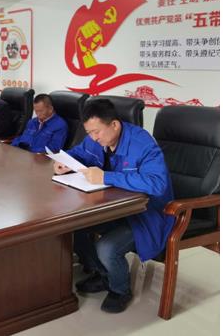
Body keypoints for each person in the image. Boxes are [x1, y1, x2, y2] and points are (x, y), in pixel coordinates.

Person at [53, 99, 174, 313]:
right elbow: (79, 152)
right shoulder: (96, 139)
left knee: (106, 247)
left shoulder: (142, 144)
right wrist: (65, 162)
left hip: (147, 214)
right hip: (113, 207)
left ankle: (120, 290)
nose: (93, 137)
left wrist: (106, 176)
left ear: (115, 125)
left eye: (96, 132)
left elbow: (156, 183)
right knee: (76, 229)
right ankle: (104, 275)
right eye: (89, 132)